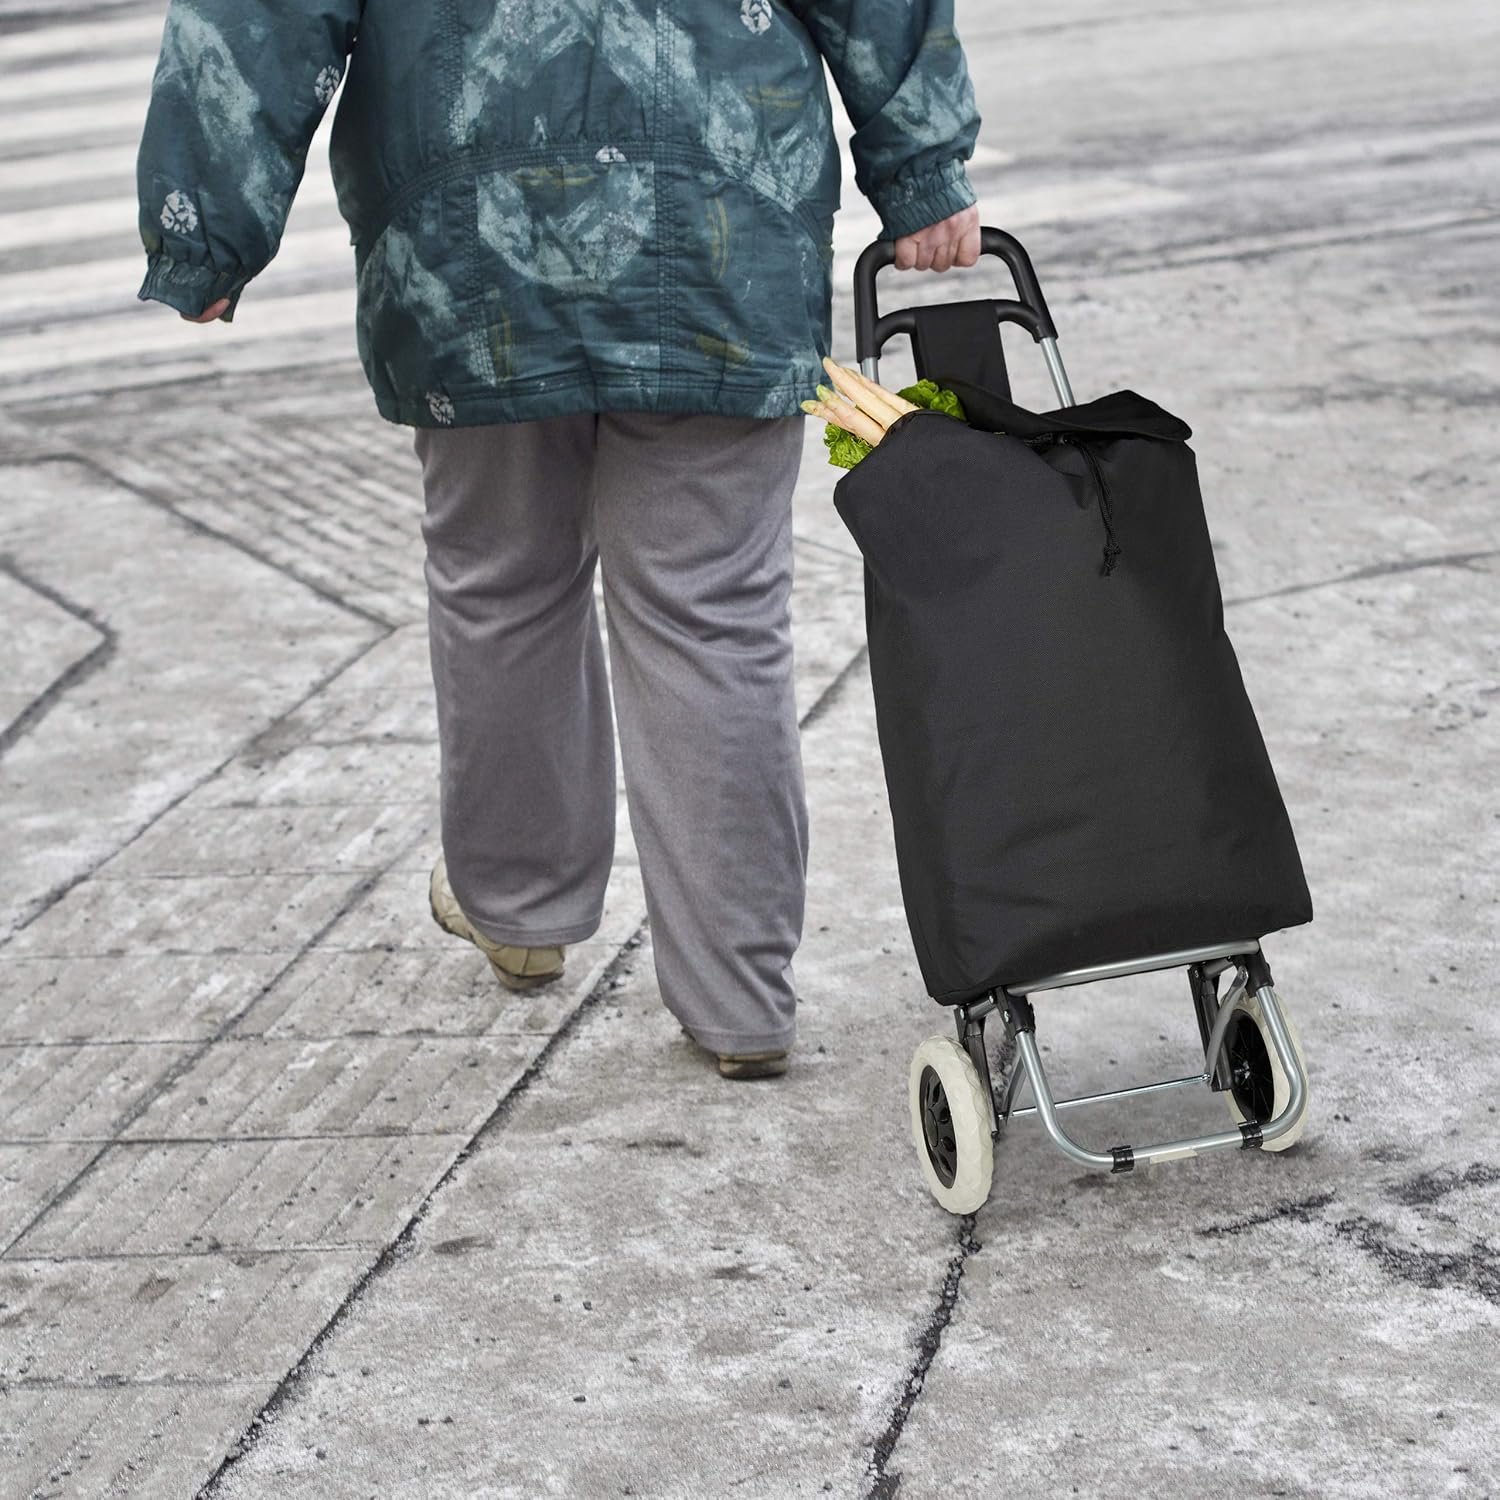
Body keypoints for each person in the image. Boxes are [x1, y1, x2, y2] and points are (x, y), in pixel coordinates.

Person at [136, 0, 983, 1080]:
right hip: (720, 203)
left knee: (502, 584)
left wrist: (205, 225)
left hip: (465, 231)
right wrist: (920, 171)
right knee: (710, 608)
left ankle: (521, 910)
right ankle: (739, 1002)